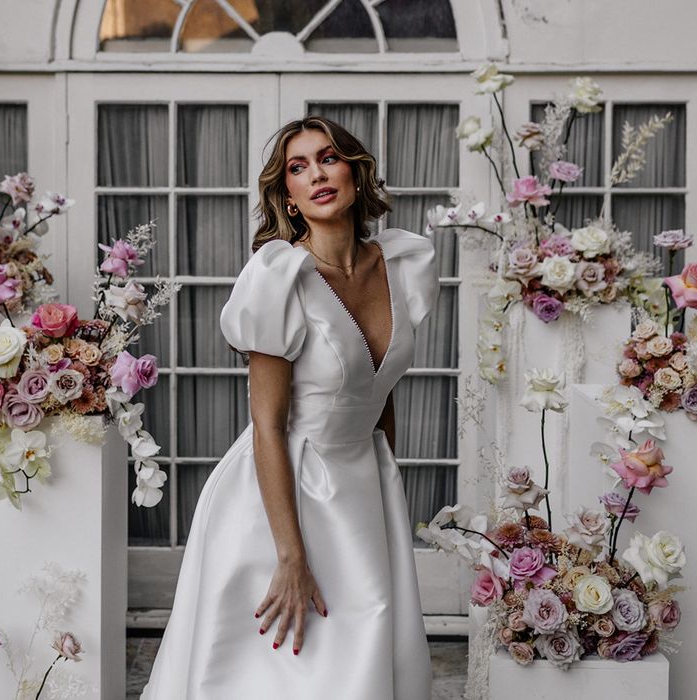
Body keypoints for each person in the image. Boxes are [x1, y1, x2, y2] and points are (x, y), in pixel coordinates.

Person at [140, 115, 437, 699]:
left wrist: (386, 489)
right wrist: (290, 555)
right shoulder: (279, 278)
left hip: (363, 483)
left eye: (327, 158)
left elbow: (380, 391)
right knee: (288, 668)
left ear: (355, 171)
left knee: (367, 645)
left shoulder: (401, 264)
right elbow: (266, 425)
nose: (317, 175)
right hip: (279, 490)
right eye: (298, 168)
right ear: (289, 198)